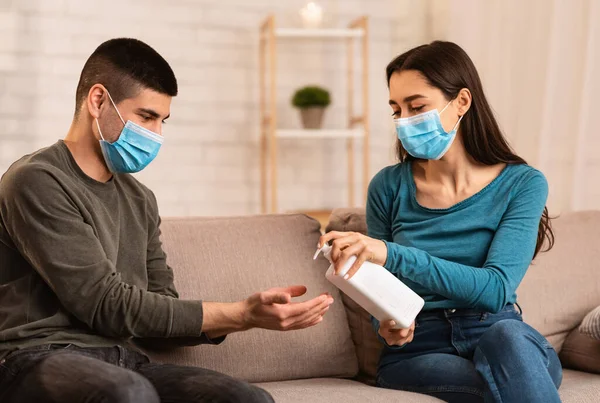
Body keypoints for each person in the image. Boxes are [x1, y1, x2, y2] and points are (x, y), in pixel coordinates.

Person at [0, 38, 334, 403]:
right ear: (98, 101)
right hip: (36, 357)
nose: (156, 134)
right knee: (129, 393)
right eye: (146, 117)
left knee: (245, 398)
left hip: (124, 360)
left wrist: (252, 315)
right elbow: (104, 304)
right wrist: (239, 314)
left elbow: (159, 316)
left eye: (162, 120)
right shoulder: (36, 180)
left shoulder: (140, 199)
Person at [319, 41, 561, 403]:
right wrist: (386, 326)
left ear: (461, 102)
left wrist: (390, 253)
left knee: (507, 341)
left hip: (499, 335)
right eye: (396, 111)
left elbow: (495, 289)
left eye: (416, 107)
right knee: (507, 384)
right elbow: (383, 290)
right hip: (421, 350)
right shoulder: (388, 186)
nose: (404, 121)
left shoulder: (522, 184)